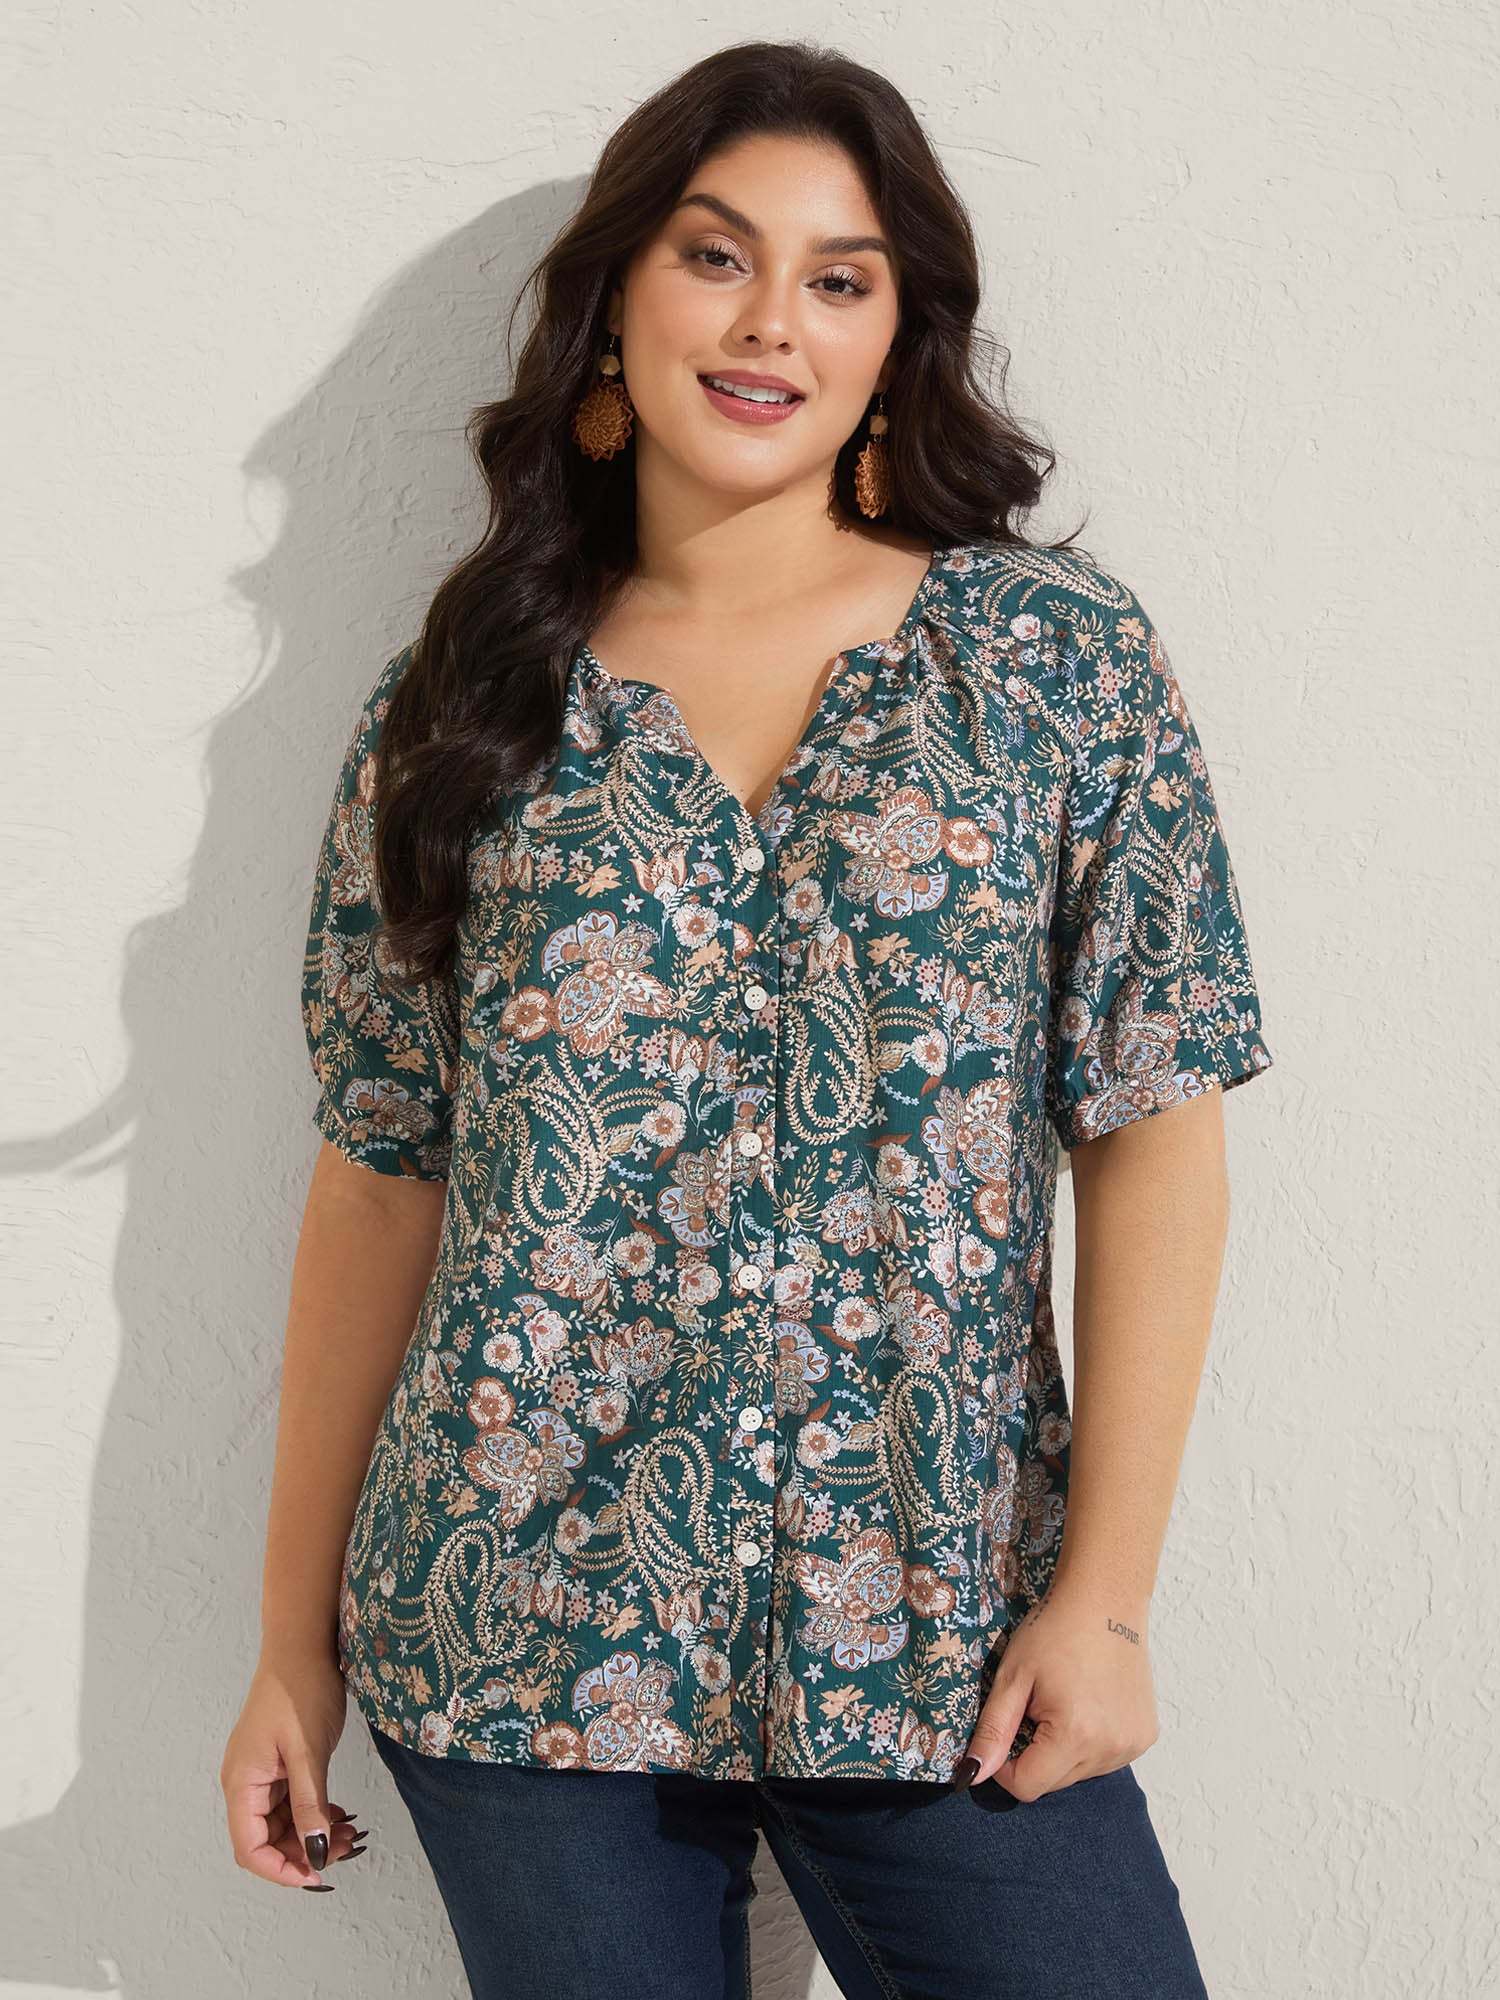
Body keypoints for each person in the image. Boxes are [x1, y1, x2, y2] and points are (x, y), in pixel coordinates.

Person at [221, 38, 1274, 1999]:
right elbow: (380, 1173)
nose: (772, 318)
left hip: (940, 1630)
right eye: (716, 256)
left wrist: (1108, 1604)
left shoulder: (1048, 668)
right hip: (516, 1626)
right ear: (616, 307)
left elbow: (1156, 1132)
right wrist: (292, 1644)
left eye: (839, 276)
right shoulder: (462, 707)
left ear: (897, 338)